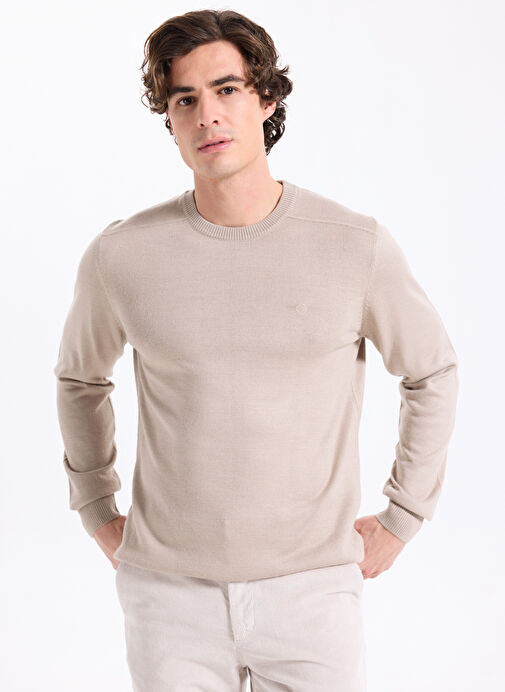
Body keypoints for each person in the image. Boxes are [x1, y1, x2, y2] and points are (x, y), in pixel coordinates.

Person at [53, 9, 459, 691]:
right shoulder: (122, 255)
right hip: (168, 596)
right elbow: (79, 379)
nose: (207, 114)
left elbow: (432, 371)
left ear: (266, 97)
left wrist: (403, 515)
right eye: (185, 99)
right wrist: (96, 506)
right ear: (170, 119)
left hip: (312, 591)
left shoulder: (353, 245)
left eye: (226, 89)